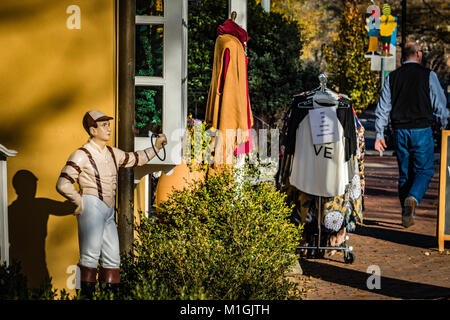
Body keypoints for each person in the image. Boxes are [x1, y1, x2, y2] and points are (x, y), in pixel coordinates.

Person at [56, 110, 167, 299]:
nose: (109, 128)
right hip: (91, 204)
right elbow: (63, 184)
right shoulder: (81, 155)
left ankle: (110, 297)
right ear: (92, 130)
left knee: (113, 259)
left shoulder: (112, 153)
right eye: (104, 125)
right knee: (89, 257)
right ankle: (86, 297)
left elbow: (136, 158)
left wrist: (156, 146)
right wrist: (79, 202)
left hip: (107, 210)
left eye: (108, 124)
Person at [374, 41, 448, 228]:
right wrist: (445, 126)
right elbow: (439, 105)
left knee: (405, 174)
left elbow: (383, 108)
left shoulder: (392, 77)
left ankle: (408, 213)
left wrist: (379, 134)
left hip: (399, 130)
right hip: (422, 129)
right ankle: (413, 198)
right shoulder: (428, 75)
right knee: (424, 170)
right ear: (418, 54)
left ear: (403, 56)